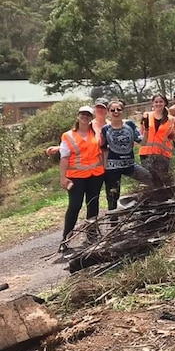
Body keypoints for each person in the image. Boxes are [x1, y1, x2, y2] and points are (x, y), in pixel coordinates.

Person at [58, 106, 105, 252]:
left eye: (88, 115)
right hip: (76, 177)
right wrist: (63, 177)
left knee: (93, 204)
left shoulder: (97, 133)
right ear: (78, 116)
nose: (85, 117)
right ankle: (65, 240)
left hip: (95, 175)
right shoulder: (68, 136)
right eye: (82, 114)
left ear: (91, 118)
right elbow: (64, 158)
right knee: (74, 206)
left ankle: (91, 235)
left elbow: (103, 150)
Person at [101, 100, 152, 211]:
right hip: (112, 167)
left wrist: (147, 129)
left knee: (149, 178)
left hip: (130, 165)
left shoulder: (129, 125)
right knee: (113, 194)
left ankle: (145, 205)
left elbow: (143, 142)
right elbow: (104, 149)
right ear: (108, 112)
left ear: (122, 110)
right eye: (112, 110)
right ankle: (113, 219)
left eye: (118, 109)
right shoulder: (105, 129)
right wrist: (104, 167)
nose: (116, 112)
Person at [139, 93, 175, 187]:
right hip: (146, 153)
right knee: (150, 179)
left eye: (161, 101)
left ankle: (165, 198)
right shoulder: (146, 116)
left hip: (162, 154)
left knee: (162, 180)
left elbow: (172, 135)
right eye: (156, 102)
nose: (158, 104)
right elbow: (141, 133)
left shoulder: (171, 119)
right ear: (152, 103)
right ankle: (153, 200)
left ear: (165, 103)